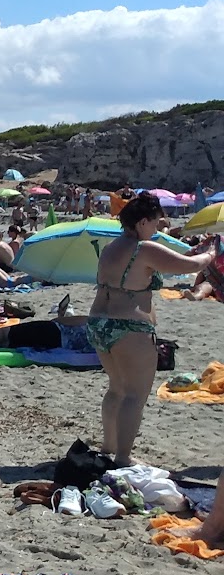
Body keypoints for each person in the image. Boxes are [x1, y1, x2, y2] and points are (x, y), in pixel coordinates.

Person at [87, 192, 219, 466]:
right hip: (130, 326)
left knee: (117, 389)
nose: (158, 227)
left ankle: (109, 445)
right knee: (135, 394)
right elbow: (189, 266)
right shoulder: (142, 248)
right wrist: (211, 254)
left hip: (100, 323)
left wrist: (195, 252)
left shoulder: (113, 246)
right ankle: (123, 457)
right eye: (157, 222)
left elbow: (170, 261)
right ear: (143, 222)